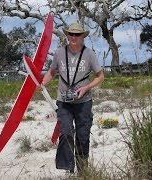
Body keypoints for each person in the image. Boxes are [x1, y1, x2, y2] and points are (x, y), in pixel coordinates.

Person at [41, 23, 104, 175]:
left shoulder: (89, 54)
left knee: (82, 137)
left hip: (84, 102)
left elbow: (100, 76)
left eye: (77, 35)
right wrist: (42, 83)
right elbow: (52, 72)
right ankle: (68, 169)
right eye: (71, 34)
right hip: (63, 102)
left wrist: (86, 88)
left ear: (83, 36)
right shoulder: (59, 53)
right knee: (67, 133)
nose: (74, 37)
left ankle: (83, 171)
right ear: (67, 35)